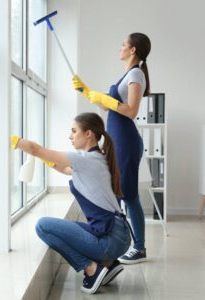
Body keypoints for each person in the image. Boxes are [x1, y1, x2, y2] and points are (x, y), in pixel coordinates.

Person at [11, 112, 131, 294]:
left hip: (111, 240)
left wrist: (7, 137)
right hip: (118, 234)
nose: (70, 136)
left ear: (88, 133)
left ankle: (91, 268)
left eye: (74, 131)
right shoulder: (97, 157)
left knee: (43, 226)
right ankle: (108, 264)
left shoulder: (86, 160)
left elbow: (35, 149)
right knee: (70, 226)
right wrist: (46, 159)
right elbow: (67, 170)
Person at [72, 33, 151, 264]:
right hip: (116, 141)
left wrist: (105, 99)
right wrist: (87, 92)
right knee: (118, 190)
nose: (121, 48)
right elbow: (109, 109)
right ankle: (117, 240)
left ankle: (138, 247)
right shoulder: (127, 75)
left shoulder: (136, 73)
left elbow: (131, 110)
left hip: (126, 141)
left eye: (123, 44)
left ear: (133, 50)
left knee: (128, 194)